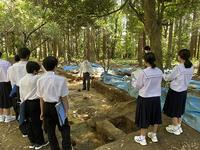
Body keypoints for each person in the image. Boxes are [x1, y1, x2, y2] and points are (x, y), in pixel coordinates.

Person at [37, 56, 72, 150]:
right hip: (58, 106)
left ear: (43, 65)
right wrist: (66, 111)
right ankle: (67, 147)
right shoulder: (61, 79)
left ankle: (54, 148)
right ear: (55, 66)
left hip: (46, 107)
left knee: (50, 130)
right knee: (65, 128)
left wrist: (41, 112)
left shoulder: (40, 80)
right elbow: (64, 98)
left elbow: (41, 98)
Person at [132, 52, 163, 146]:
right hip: (156, 98)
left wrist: (133, 82)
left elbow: (138, 86)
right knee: (155, 116)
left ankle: (142, 138)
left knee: (144, 117)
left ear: (145, 61)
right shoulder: (159, 71)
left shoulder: (143, 72)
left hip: (145, 98)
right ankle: (154, 135)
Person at [19, 61, 49, 149]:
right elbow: (48, 74)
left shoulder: (22, 80)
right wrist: (41, 65)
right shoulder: (37, 78)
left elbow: (21, 95)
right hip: (35, 103)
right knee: (37, 123)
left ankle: (32, 142)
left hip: (25, 103)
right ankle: (39, 143)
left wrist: (23, 103)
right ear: (35, 71)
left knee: (28, 123)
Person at [163, 49, 193, 135]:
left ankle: (175, 128)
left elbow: (169, 78)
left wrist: (163, 75)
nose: (177, 56)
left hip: (175, 91)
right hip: (183, 91)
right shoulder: (191, 66)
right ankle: (178, 125)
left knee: (174, 109)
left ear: (180, 57)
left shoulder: (178, 67)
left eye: (178, 55)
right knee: (179, 108)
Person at [7, 47, 31, 136]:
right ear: (28, 55)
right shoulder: (30, 65)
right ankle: (31, 129)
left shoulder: (11, 68)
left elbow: (9, 80)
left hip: (16, 91)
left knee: (18, 111)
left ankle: (24, 130)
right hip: (29, 91)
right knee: (30, 111)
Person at [0, 51, 16, 123]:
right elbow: (11, 73)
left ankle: (1, 116)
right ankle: (7, 116)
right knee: (6, 99)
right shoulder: (6, 63)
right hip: (5, 83)